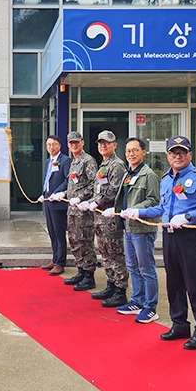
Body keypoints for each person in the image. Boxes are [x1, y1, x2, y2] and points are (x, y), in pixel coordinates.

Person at [122, 135, 196, 350]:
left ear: (190, 155)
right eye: (173, 152)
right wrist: (139, 211)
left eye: (182, 152)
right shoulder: (166, 179)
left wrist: (187, 217)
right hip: (169, 236)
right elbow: (162, 209)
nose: (178, 156)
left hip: (191, 237)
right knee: (174, 284)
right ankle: (179, 324)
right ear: (167, 156)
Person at [110, 138, 160, 323]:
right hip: (128, 227)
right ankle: (137, 301)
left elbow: (154, 200)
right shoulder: (128, 173)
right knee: (132, 266)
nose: (131, 154)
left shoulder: (149, 175)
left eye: (135, 150)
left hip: (142, 227)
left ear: (143, 152)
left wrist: (136, 209)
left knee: (146, 268)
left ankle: (150, 306)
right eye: (128, 151)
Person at [80, 130, 128, 308]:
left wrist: (95, 202)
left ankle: (120, 290)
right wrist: (90, 201)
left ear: (114, 145)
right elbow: (97, 189)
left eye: (107, 143)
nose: (103, 146)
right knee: (105, 253)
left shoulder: (117, 165)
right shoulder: (104, 165)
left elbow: (113, 191)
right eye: (100, 143)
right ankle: (111, 284)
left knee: (114, 253)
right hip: (99, 217)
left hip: (110, 218)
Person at [63, 132, 99, 292]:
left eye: (76, 142)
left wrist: (81, 198)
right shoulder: (74, 162)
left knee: (85, 241)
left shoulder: (88, 161)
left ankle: (89, 275)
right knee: (74, 241)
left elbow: (94, 184)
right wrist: (64, 194)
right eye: (71, 143)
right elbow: (73, 184)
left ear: (82, 143)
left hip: (83, 209)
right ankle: (80, 270)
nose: (74, 145)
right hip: (72, 209)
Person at [37, 135, 72, 275]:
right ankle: (54, 258)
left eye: (54, 144)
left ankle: (60, 263)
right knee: (51, 231)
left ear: (60, 146)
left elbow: (66, 180)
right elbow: (47, 180)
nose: (51, 147)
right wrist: (44, 193)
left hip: (57, 201)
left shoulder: (65, 160)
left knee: (59, 232)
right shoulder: (47, 162)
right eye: (49, 145)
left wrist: (57, 193)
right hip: (47, 200)